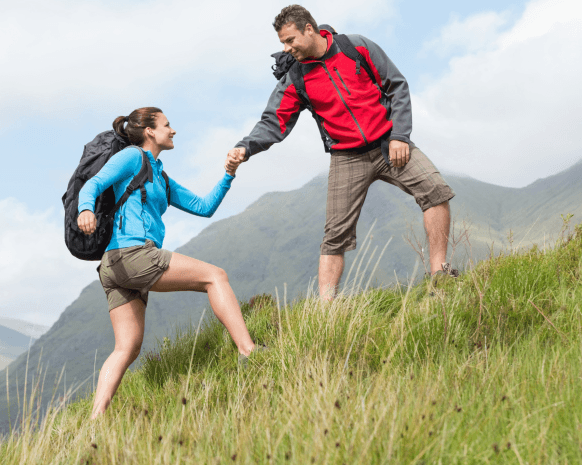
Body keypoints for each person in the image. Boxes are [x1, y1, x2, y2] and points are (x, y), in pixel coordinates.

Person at [225, 5, 457, 300]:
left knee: (435, 191)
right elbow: (274, 122)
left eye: (290, 40)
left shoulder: (355, 47)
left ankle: (440, 274)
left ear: (309, 28)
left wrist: (400, 135)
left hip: (389, 143)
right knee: (334, 237)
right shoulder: (295, 76)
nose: (286, 48)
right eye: (282, 43)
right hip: (347, 157)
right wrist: (245, 147)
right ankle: (326, 311)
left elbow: (396, 86)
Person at [78, 107, 256, 419]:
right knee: (216, 276)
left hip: (117, 267)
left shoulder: (160, 176)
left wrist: (228, 174)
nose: (172, 131)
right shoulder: (133, 157)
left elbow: (203, 207)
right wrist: (85, 210)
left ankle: (95, 422)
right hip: (132, 254)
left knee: (127, 348)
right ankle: (249, 352)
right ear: (149, 131)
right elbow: (95, 182)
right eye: (167, 125)